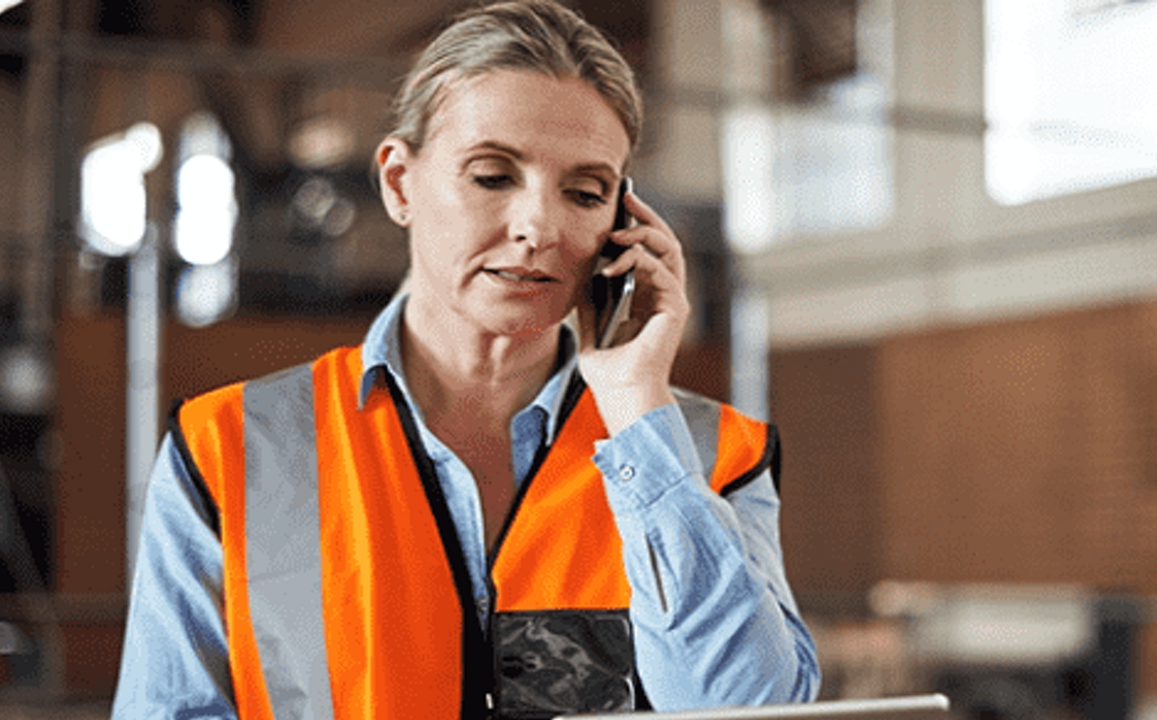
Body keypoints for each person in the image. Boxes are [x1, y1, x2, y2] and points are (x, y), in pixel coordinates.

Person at [110, 2, 820, 718]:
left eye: (585, 193)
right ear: (399, 182)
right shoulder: (228, 450)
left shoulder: (713, 455)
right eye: (492, 176)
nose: (539, 226)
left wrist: (637, 408)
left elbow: (750, 707)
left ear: (623, 222)